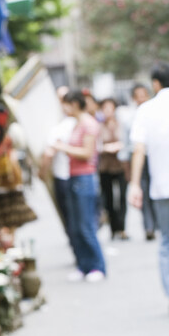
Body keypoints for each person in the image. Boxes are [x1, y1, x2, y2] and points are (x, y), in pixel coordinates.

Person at [128, 63, 169, 312]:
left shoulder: (146, 110)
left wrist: (135, 184)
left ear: (156, 83)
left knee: (168, 240)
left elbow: (139, 150)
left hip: (162, 187)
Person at [52, 90, 106, 282]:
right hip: (74, 177)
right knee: (75, 226)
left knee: (85, 226)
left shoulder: (89, 124)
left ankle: (97, 266)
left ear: (74, 103)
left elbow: (87, 153)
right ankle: (83, 265)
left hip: (85, 178)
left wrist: (63, 147)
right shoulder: (77, 124)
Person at [41, 88, 76, 247]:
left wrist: (42, 172)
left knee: (74, 219)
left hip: (71, 177)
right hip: (69, 176)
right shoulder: (62, 125)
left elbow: (49, 153)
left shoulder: (69, 125)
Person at [98, 97, 128, 240]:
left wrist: (119, 146)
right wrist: (106, 148)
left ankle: (122, 228)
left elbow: (127, 142)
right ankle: (113, 228)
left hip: (121, 165)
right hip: (105, 167)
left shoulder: (121, 124)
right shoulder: (98, 126)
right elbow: (95, 146)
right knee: (108, 199)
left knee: (122, 197)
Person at [131, 83, 156, 239]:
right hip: (141, 160)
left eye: (144, 94)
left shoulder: (154, 113)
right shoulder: (132, 117)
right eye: (138, 95)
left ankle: (156, 224)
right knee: (144, 194)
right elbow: (136, 148)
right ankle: (149, 226)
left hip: (155, 158)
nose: (142, 98)